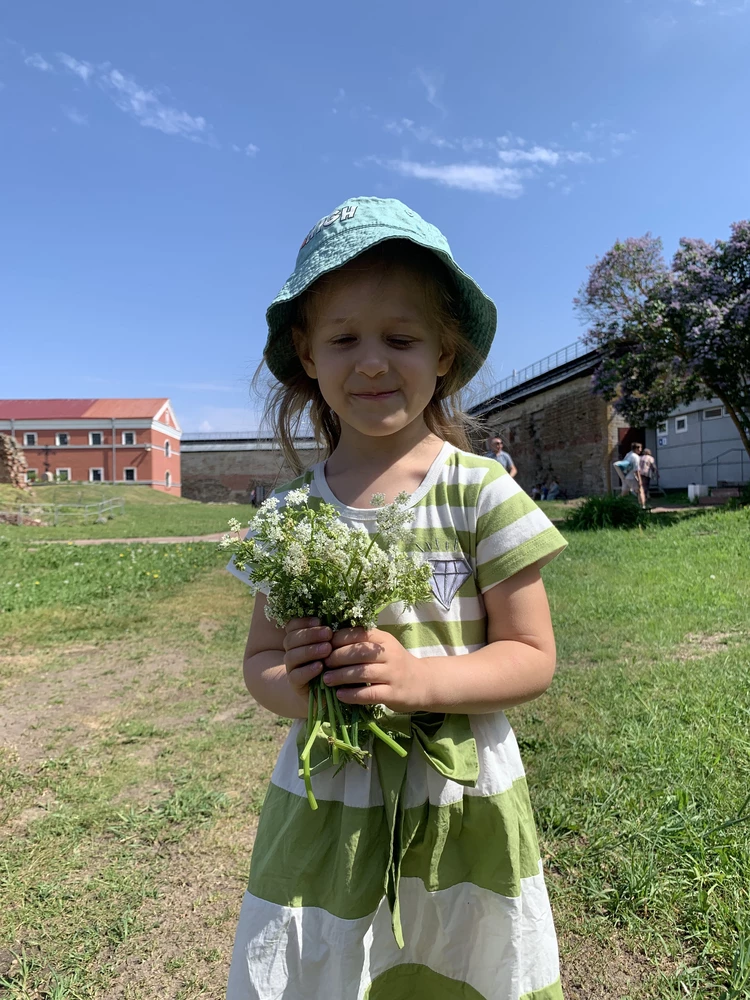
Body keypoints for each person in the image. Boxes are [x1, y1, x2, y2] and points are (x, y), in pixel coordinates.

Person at [226, 197, 567, 1000]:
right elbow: (259, 664)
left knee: (461, 959)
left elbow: (532, 656)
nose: (372, 361)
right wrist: (298, 685)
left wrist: (418, 682)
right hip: (328, 806)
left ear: (445, 353)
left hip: (458, 797)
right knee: (329, 963)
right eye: (344, 339)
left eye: (401, 338)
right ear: (307, 356)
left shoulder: (480, 492)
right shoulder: (288, 515)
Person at [618, 441, 646, 508]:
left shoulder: (628, 454)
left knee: (624, 492)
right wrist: (640, 480)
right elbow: (636, 470)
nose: (641, 450)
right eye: (640, 448)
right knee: (640, 490)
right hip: (631, 477)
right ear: (636, 449)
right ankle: (643, 506)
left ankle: (615, 502)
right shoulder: (636, 457)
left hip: (625, 476)